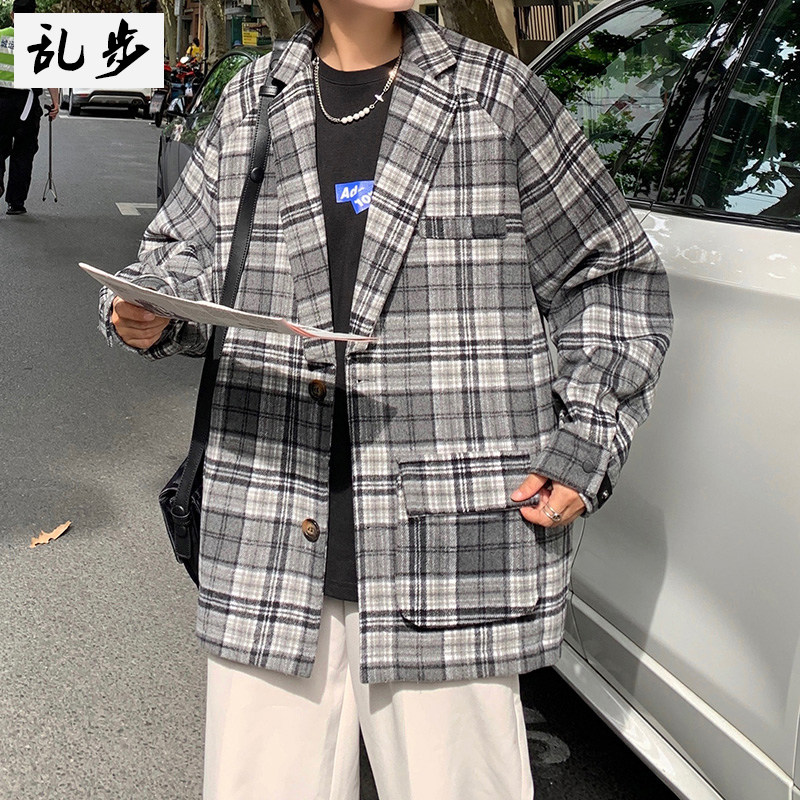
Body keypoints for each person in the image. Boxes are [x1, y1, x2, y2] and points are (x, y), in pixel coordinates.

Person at [99, 1, 673, 797]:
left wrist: (586, 441)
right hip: (269, 527)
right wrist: (146, 310)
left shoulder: (495, 96)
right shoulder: (254, 98)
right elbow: (179, 257)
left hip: (450, 543)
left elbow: (611, 276)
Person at [0, 0, 59, 215]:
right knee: (23, 153)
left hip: (1, 103)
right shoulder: (42, 40)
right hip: (27, 104)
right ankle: (16, 203)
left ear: (12, 14)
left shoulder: (0, 36)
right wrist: (55, 103)